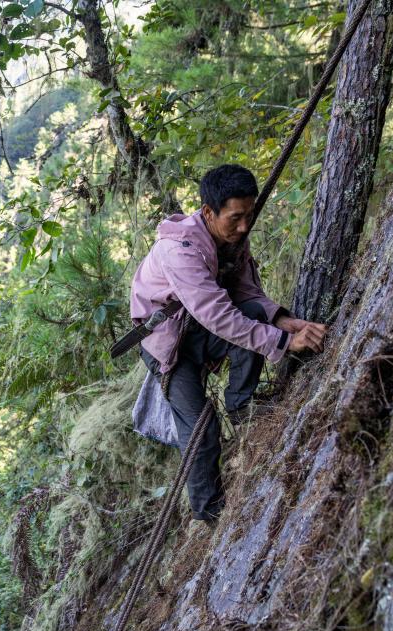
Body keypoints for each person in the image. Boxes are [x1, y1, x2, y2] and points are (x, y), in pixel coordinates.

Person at [128, 164, 327, 524]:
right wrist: (284, 341)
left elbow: (246, 293)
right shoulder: (181, 252)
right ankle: (210, 512)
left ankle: (241, 405)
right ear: (208, 212)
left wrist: (280, 319)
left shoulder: (230, 236)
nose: (244, 226)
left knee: (254, 313)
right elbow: (219, 317)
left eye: (248, 216)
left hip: (196, 328)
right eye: (236, 218)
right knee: (201, 428)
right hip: (167, 345)